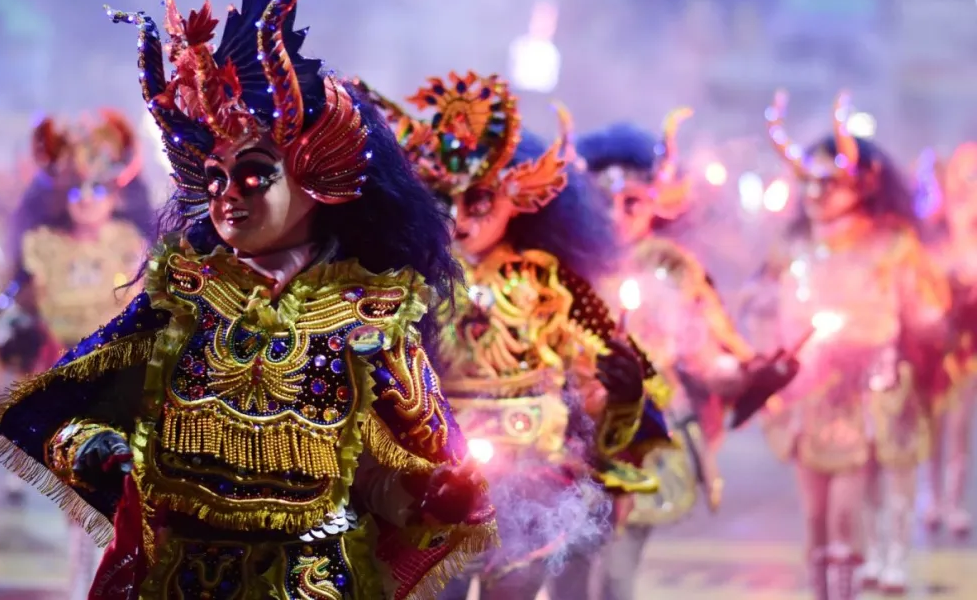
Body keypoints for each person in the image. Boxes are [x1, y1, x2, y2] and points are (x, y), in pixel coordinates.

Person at [0, 0, 495, 599]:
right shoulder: (183, 299)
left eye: (253, 174)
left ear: (319, 177)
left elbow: (376, 483)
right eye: (216, 177)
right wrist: (100, 451)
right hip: (184, 579)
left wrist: (432, 496)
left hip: (314, 584)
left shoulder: (366, 316)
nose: (227, 196)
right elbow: (67, 414)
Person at [357, 71, 670, 600]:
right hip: (440, 468)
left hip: (534, 471)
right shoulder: (410, 277)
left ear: (518, 198)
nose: (458, 218)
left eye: (477, 200)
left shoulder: (548, 279)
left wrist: (623, 389)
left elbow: (614, 369)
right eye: (441, 200)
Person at [575, 114, 798, 600]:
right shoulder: (560, 264)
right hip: (571, 434)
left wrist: (750, 373)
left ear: (654, 202)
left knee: (617, 572)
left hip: (647, 434)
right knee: (568, 569)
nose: (616, 214)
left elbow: (705, 358)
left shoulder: (673, 270)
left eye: (630, 202)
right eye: (603, 201)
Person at [744, 91, 948, 599]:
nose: (815, 194)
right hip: (806, 395)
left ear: (862, 186)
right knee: (814, 517)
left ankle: (856, 583)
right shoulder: (790, 247)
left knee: (848, 512)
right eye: (807, 183)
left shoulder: (893, 247)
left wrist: (930, 322)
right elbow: (764, 307)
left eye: (828, 183)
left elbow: (924, 315)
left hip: (867, 393)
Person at [0, 110, 153, 600]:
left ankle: (102, 580)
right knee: (77, 493)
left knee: (118, 495)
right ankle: (82, 582)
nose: (87, 201)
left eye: (99, 190)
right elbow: (11, 311)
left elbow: (148, 313)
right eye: (78, 190)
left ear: (118, 194)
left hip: (116, 382)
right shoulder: (42, 247)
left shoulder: (130, 246)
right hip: (59, 379)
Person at [917, 142, 977, 536]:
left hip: (969, 341)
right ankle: (931, 497)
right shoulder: (929, 228)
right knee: (933, 423)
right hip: (932, 343)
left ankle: (954, 502)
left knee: (959, 424)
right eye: (962, 174)